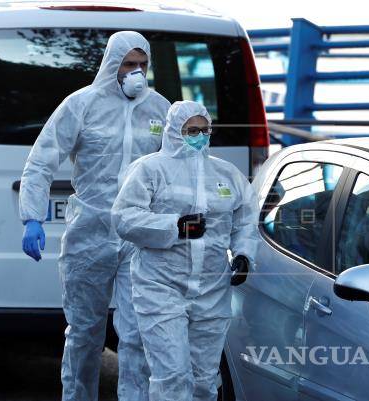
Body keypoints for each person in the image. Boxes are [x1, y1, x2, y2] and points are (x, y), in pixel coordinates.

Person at [19, 31, 170, 401]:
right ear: (112, 64)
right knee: (85, 332)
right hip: (90, 233)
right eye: (129, 64)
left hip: (139, 237)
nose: (136, 72)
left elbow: (177, 168)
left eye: (143, 64)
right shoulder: (81, 104)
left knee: (137, 334)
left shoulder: (160, 109)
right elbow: (41, 161)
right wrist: (32, 216)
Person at [111, 101, 260, 401]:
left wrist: (244, 255)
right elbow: (124, 218)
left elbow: (246, 220)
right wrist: (175, 226)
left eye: (205, 130)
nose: (199, 137)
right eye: (191, 131)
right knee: (173, 378)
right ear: (174, 132)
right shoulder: (150, 169)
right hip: (161, 287)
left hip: (212, 290)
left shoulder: (227, 174)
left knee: (204, 382)